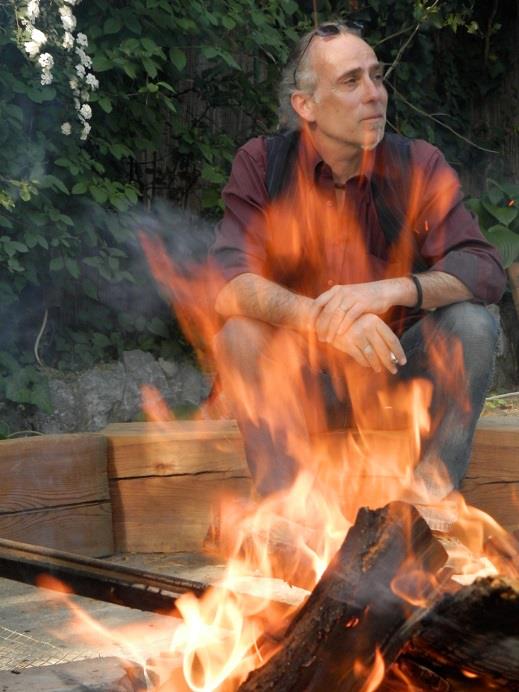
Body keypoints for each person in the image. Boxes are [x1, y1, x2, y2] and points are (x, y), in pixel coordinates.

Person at [209, 22, 506, 532]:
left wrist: (389, 290)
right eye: (351, 81)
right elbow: (228, 282)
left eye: (377, 76)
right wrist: (326, 320)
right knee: (239, 332)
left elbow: (482, 266)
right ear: (306, 105)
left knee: (473, 324)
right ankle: (287, 515)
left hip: (392, 378)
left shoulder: (417, 164)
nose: (374, 94)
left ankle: (428, 507)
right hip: (300, 386)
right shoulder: (262, 164)